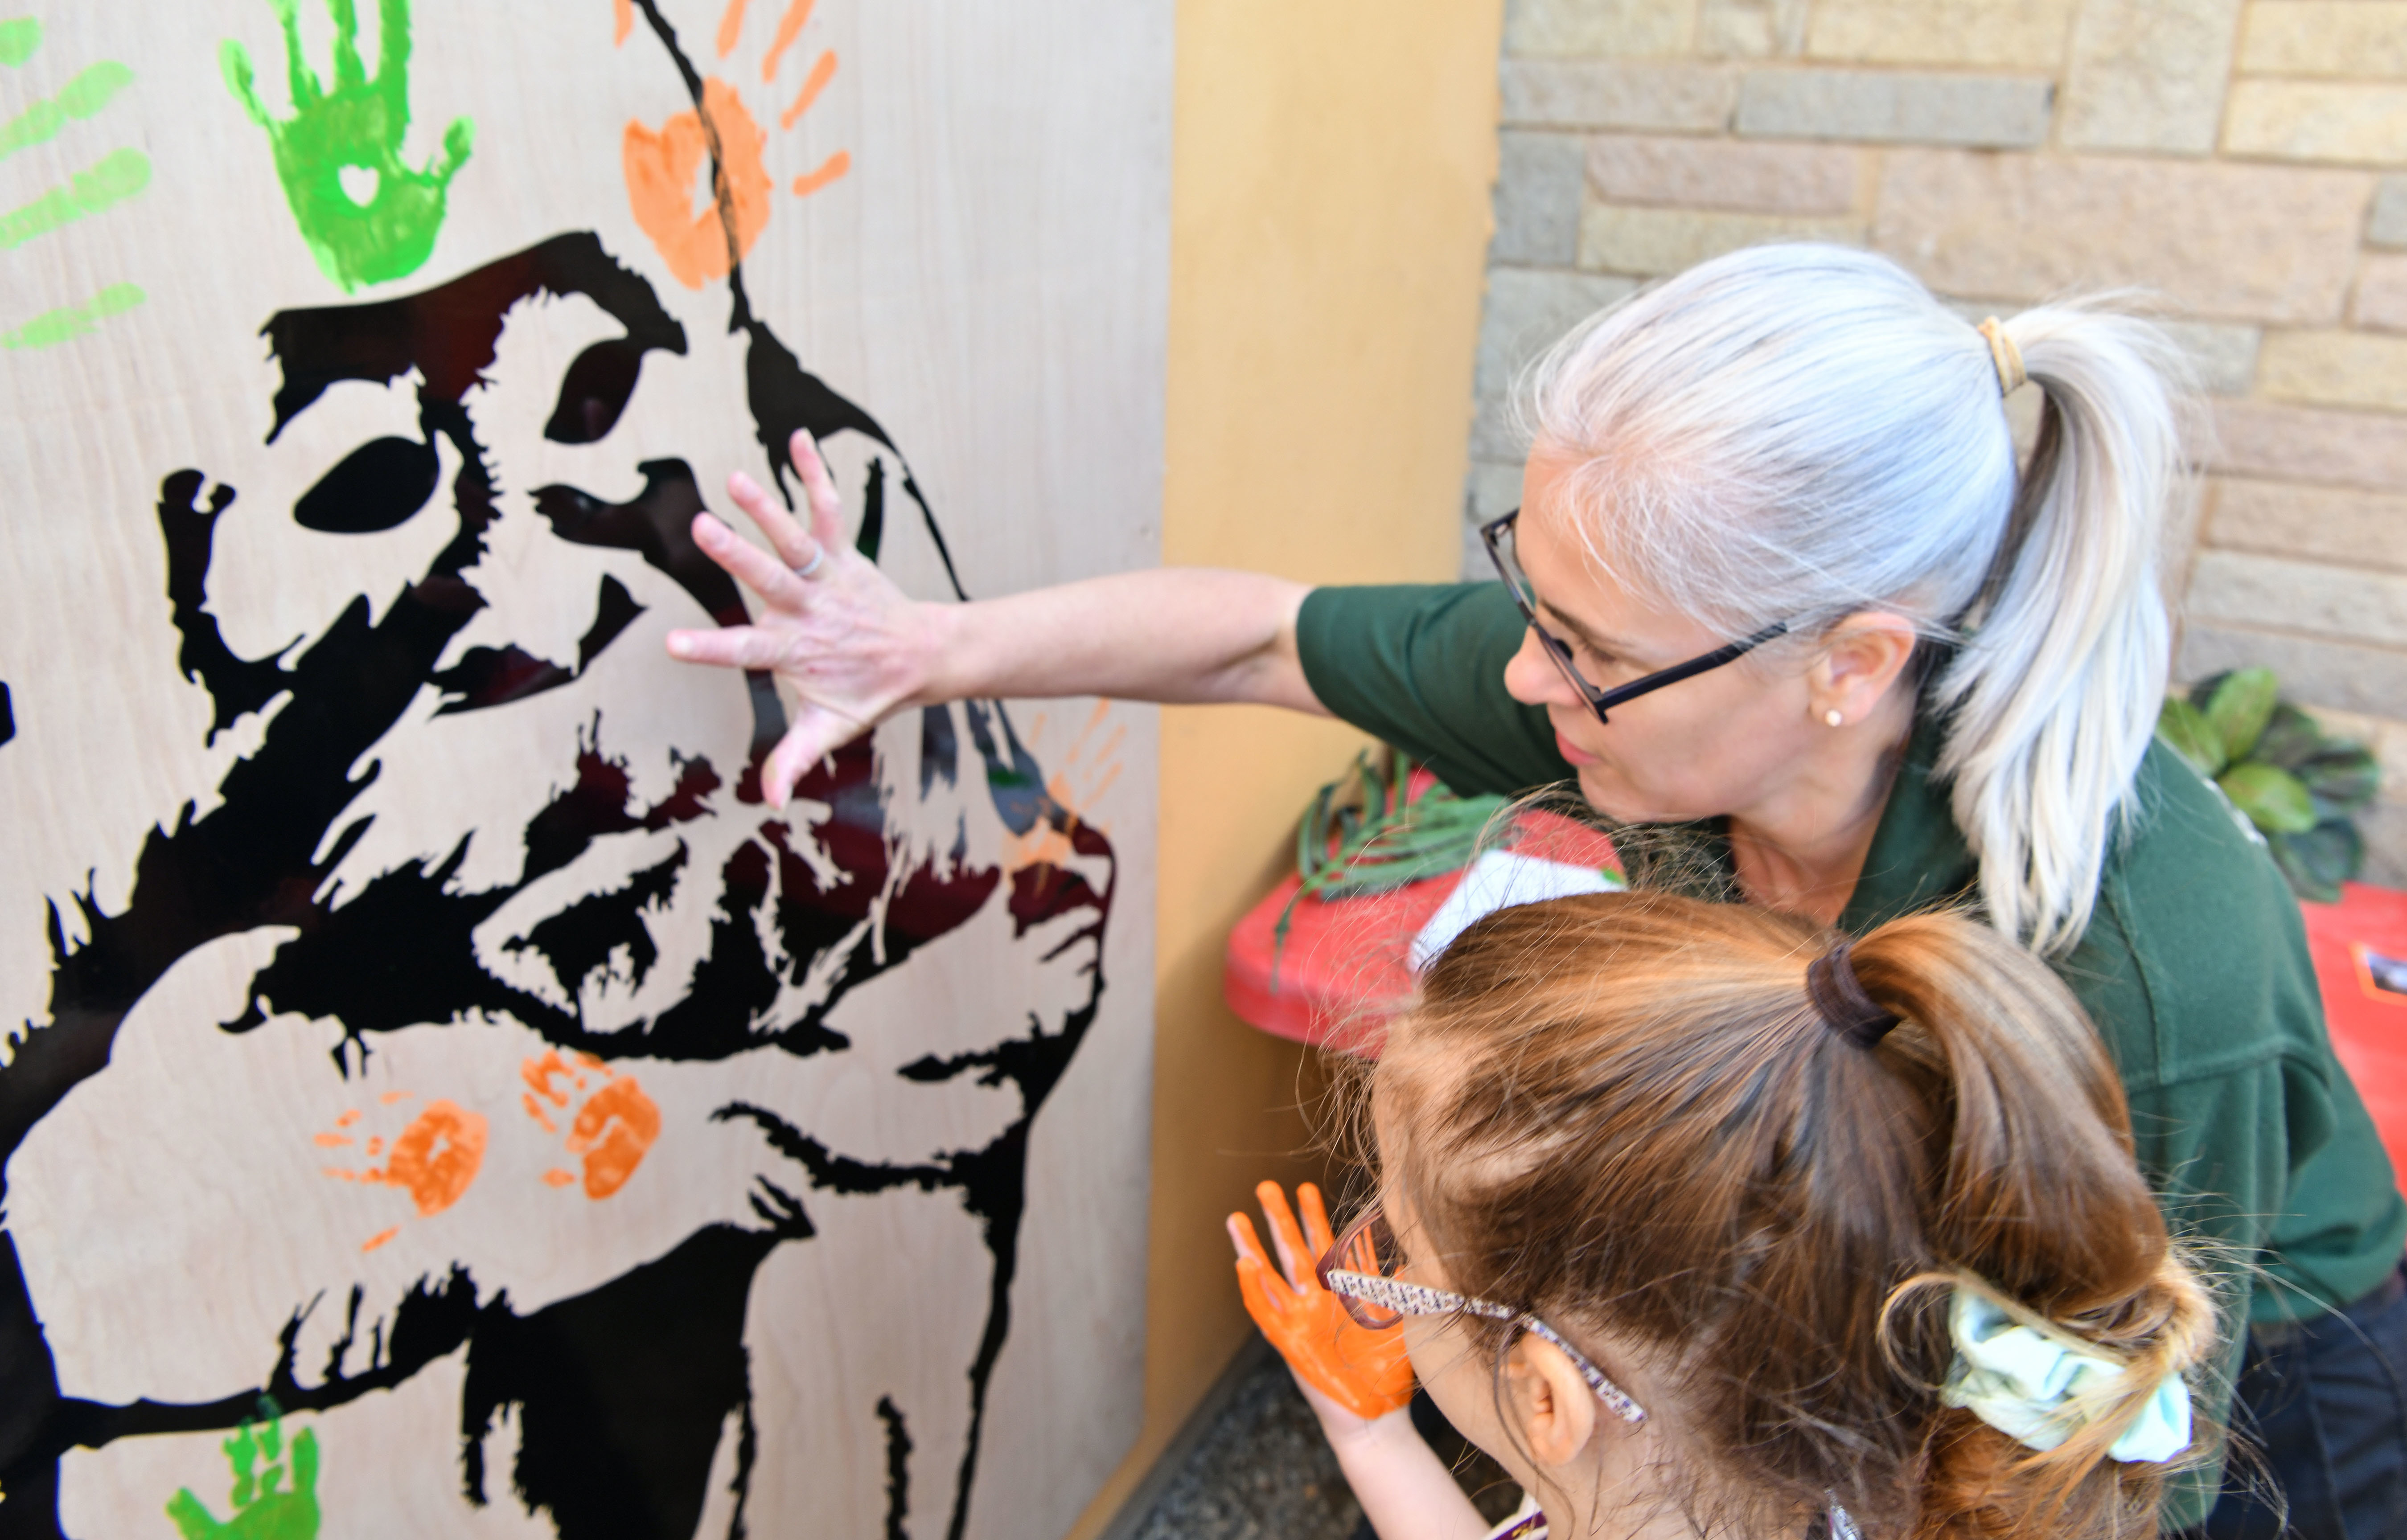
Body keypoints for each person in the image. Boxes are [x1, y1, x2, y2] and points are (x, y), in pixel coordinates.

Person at [666, 242, 2407, 1534]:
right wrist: (911, 648)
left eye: (1585, 650)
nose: (1522, 681)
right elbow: (1262, 636)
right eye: (1532, 601)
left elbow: (2114, 1438)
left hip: (2234, 1388)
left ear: (1848, 663)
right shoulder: (1649, 693)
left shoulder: (2127, 947)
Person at [1230, 892, 2218, 1540]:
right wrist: (1372, 1437)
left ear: (1545, 1400)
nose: (1377, 1270)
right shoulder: (1775, 1490)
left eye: (1395, 1249)